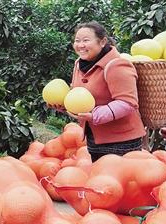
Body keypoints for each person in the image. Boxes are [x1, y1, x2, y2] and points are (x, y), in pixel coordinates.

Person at [49, 21, 146, 162]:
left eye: (86, 40)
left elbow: (128, 103)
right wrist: (65, 106)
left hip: (121, 141)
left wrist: (95, 115)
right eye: (77, 41)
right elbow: (79, 96)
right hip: (94, 139)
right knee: (100, 180)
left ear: (102, 41)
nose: (80, 45)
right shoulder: (79, 64)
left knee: (117, 181)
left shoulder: (117, 65)